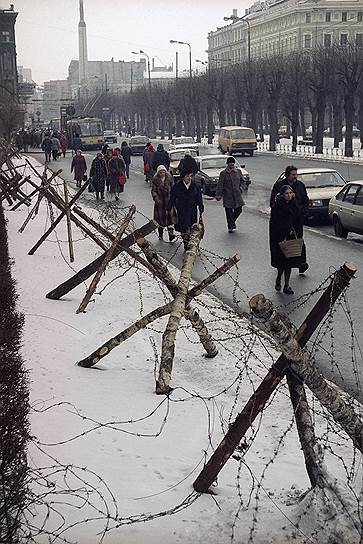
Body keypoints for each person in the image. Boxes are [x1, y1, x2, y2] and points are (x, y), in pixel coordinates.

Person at [270, 165, 309, 274]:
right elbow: (273, 202)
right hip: (283, 221)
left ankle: (301, 263)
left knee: (299, 240)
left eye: (296, 174)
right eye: (293, 175)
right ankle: (283, 265)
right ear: (287, 175)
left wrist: (303, 213)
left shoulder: (300, 185)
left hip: (297, 219)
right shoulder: (279, 186)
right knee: (285, 244)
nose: (295, 177)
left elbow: (305, 200)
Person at [269, 185, 306, 295]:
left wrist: (296, 231)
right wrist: (284, 231)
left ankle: (287, 285)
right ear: (282, 195)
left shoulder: (295, 205)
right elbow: (274, 223)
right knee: (282, 264)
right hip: (280, 239)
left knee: (289, 263)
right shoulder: (277, 207)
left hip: (292, 237)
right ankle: (278, 279)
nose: (289, 195)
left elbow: (299, 220)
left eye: (290, 193)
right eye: (286, 193)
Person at [167, 169, 204, 251]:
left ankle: (191, 243)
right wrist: (169, 207)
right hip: (181, 210)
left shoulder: (195, 186)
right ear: (183, 177)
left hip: (192, 210)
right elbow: (173, 197)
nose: (189, 178)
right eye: (187, 176)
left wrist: (201, 206)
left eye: (191, 176)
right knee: (183, 228)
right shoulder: (177, 186)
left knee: (192, 228)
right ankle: (185, 243)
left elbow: (198, 197)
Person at [215, 156, 247, 233]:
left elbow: (243, 181)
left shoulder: (238, 171)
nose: (231, 164)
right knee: (229, 212)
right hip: (228, 195)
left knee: (239, 210)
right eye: (230, 163)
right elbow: (220, 185)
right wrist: (218, 194)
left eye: (233, 163)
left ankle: (232, 222)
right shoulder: (223, 173)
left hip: (237, 195)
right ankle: (230, 226)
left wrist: (241, 188)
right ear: (227, 164)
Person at [151, 165, 176, 242]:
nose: (162, 174)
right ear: (158, 173)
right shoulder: (155, 180)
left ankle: (171, 234)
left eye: (163, 172)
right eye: (160, 172)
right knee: (160, 220)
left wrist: (173, 198)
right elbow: (153, 191)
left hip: (169, 202)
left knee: (170, 219)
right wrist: (156, 199)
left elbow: (173, 188)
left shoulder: (169, 178)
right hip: (160, 203)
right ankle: (160, 234)